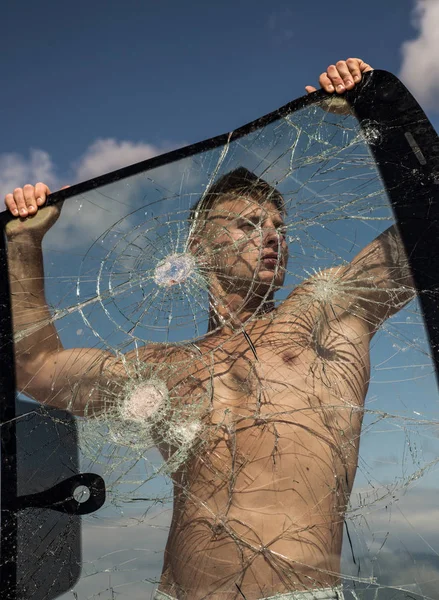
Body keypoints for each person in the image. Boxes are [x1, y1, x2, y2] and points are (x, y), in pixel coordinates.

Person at [4, 59, 414, 600]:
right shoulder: (161, 368)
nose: (271, 237)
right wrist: (22, 243)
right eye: (248, 224)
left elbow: (423, 233)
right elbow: (37, 371)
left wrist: (372, 111)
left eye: (279, 228)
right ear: (196, 246)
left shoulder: (326, 313)